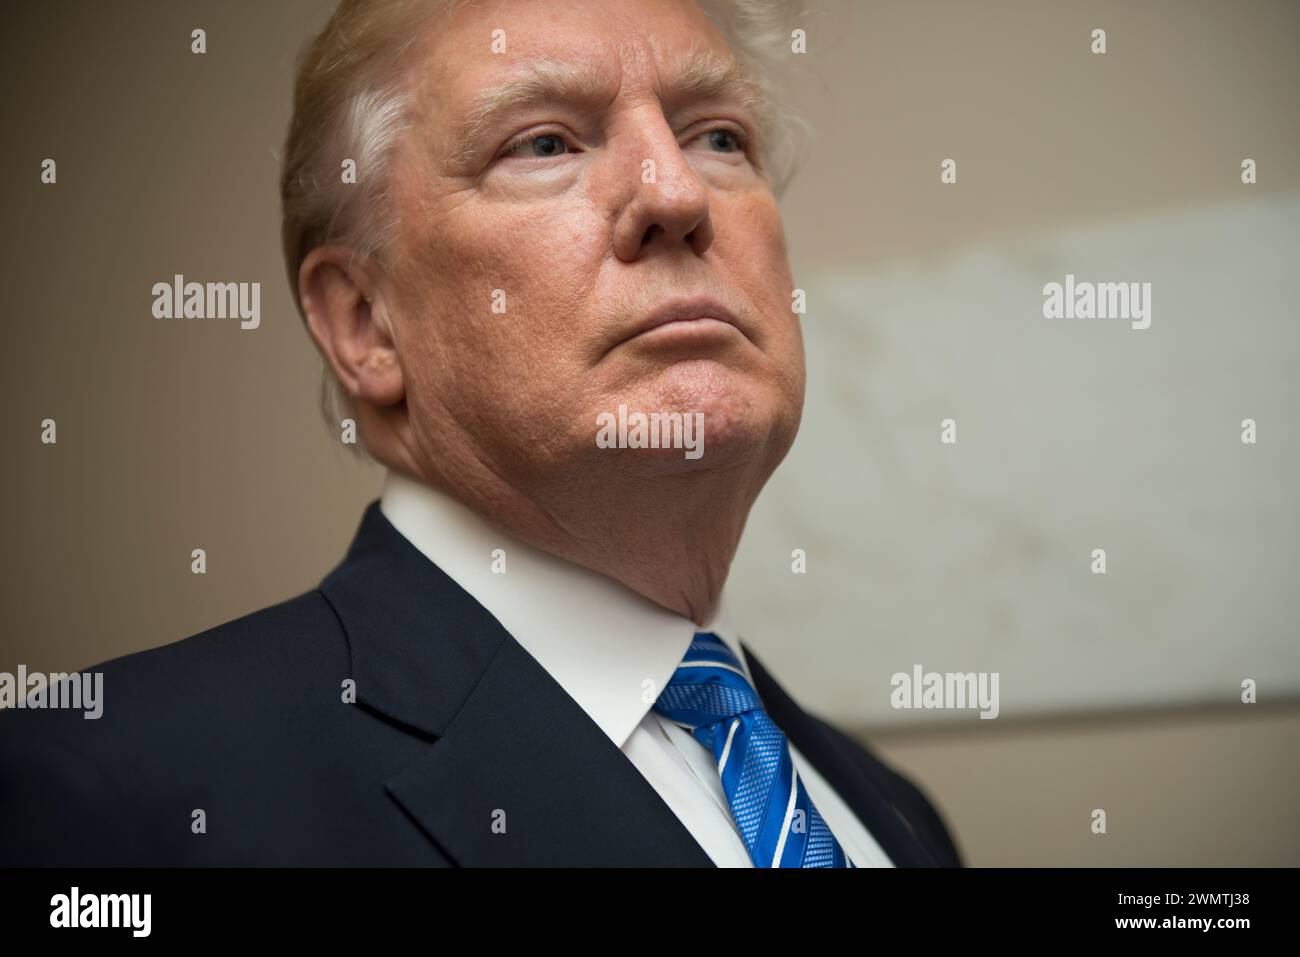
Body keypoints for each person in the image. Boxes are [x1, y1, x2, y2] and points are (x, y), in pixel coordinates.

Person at [0, 0, 960, 868]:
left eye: (718, 135)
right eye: (543, 144)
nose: (675, 194)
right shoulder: (111, 795)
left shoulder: (895, 813)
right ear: (367, 323)